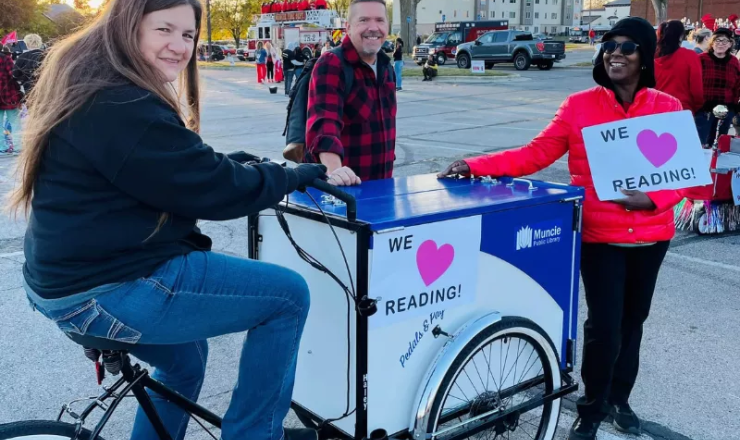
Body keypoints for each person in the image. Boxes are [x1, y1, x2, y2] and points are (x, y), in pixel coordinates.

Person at [11, 0, 327, 439]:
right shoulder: (122, 100)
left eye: (187, 35)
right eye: (165, 29)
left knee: (186, 361)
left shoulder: (96, 83)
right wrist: (287, 177)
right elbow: (216, 190)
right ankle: (256, 434)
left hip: (61, 283)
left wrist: (223, 166)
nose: (179, 46)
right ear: (128, 26)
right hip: (106, 286)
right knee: (288, 295)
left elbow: (161, 169)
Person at [438, 17, 684, 440]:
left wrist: (656, 199)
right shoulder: (579, 106)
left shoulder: (667, 107)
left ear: (644, 56)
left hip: (652, 235)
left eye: (627, 46)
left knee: (633, 322)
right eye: (610, 46)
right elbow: (534, 155)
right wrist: (475, 165)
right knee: (604, 326)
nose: (616, 53)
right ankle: (590, 409)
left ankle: (619, 400)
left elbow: (683, 175)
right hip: (599, 237)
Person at [305, 0, 397, 186]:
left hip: (382, 189)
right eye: (363, 20)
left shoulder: (386, 67)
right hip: (344, 191)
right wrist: (334, 171)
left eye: (380, 20)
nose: (373, 28)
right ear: (348, 27)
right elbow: (324, 123)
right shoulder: (332, 63)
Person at [697, 28, 740, 147]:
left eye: (724, 41)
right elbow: (695, 83)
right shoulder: (701, 59)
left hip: (726, 109)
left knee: (719, 145)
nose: (720, 44)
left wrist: (734, 107)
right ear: (712, 42)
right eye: (717, 40)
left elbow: (737, 86)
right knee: (702, 143)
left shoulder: (734, 62)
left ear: (730, 44)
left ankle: (715, 165)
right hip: (704, 109)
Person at [654, 20, 704, 115]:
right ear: (681, 36)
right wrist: (697, 106)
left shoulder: (652, 58)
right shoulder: (690, 56)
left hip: (657, 108)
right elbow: (697, 89)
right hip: (682, 108)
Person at [1, 45, 22, 154]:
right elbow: (13, 76)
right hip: (9, 95)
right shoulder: (6, 59)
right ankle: (18, 148)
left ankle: (2, 148)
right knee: (15, 122)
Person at [12, 34, 45, 104]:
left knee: (33, 110)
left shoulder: (23, 56)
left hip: (29, 89)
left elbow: (15, 74)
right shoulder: (47, 54)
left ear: (27, 43)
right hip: (47, 87)